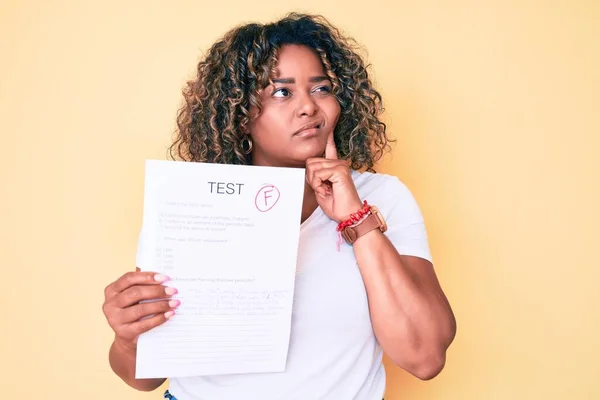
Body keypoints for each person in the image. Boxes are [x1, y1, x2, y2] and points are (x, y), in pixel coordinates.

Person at [102, 12, 456, 400]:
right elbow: (144, 379)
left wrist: (356, 219)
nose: (308, 107)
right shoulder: (194, 203)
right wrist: (128, 338)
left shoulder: (383, 197)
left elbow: (425, 357)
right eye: (282, 92)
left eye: (320, 89)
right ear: (239, 115)